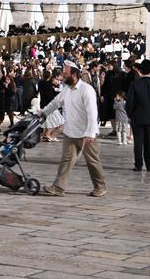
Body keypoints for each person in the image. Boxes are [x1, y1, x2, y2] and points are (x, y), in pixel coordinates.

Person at [40, 62, 107, 198]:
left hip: (86, 133)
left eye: (66, 74)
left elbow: (92, 113)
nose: (63, 77)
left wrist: (91, 132)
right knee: (66, 160)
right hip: (70, 132)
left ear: (75, 75)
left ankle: (100, 186)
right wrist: (43, 113)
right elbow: (55, 103)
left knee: (92, 161)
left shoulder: (86, 90)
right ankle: (58, 187)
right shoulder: (66, 90)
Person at [126, 59, 150, 172]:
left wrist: (130, 115)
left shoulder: (135, 84)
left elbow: (130, 102)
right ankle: (149, 165)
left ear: (140, 71)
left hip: (137, 117)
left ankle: (138, 165)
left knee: (138, 142)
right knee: (149, 141)